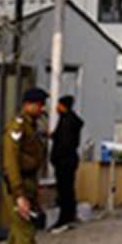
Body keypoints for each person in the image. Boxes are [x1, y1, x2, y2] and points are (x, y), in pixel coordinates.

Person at [3, 87, 48, 244]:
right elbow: (11, 161)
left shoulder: (32, 126)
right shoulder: (18, 126)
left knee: (16, 238)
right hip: (18, 185)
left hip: (28, 183)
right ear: (28, 105)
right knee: (26, 236)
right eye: (39, 104)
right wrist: (19, 194)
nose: (42, 108)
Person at [49, 95, 84, 232]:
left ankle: (64, 218)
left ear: (63, 106)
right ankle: (69, 216)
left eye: (58, 105)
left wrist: (56, 157)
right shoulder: (69, 120)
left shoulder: (66, 121)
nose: (56, 108)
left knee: (64, 190)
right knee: (68, 189)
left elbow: (65, 142)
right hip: (69, 160)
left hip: (64, 161)